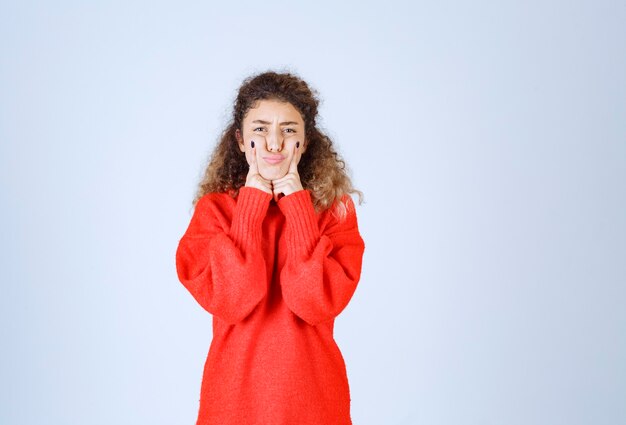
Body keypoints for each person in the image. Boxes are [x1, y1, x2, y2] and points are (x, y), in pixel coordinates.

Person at [175, 70, 366, 424]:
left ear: (306, 142)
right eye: (260, 129)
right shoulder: (214, 211)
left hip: (314, 402)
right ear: (240, 140)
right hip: (233, 403)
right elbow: (233, 302)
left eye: (289, 130)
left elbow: (314, 304)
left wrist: (298, 207)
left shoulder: (335, 212)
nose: (274, 143)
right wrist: (252, 203)